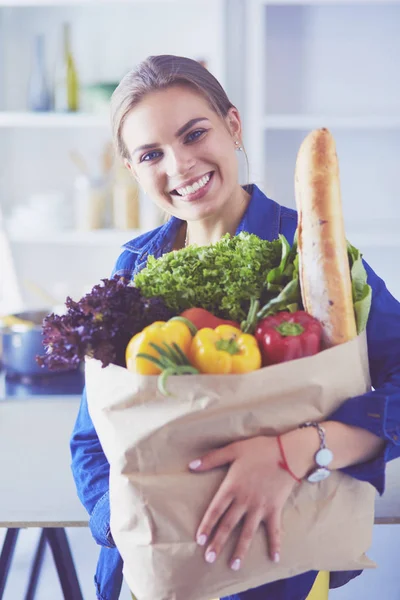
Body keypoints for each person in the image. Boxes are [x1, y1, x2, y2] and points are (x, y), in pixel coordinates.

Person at [70, 55, 400, 600]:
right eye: (151, 153)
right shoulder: (134, 267)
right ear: (131, 169)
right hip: (149, 575)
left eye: (194, 133)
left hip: (278, 570)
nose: (179, 166)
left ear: (233, 126)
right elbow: (92, 438)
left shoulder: (311, 256)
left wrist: (297, 452)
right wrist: (130, 521)